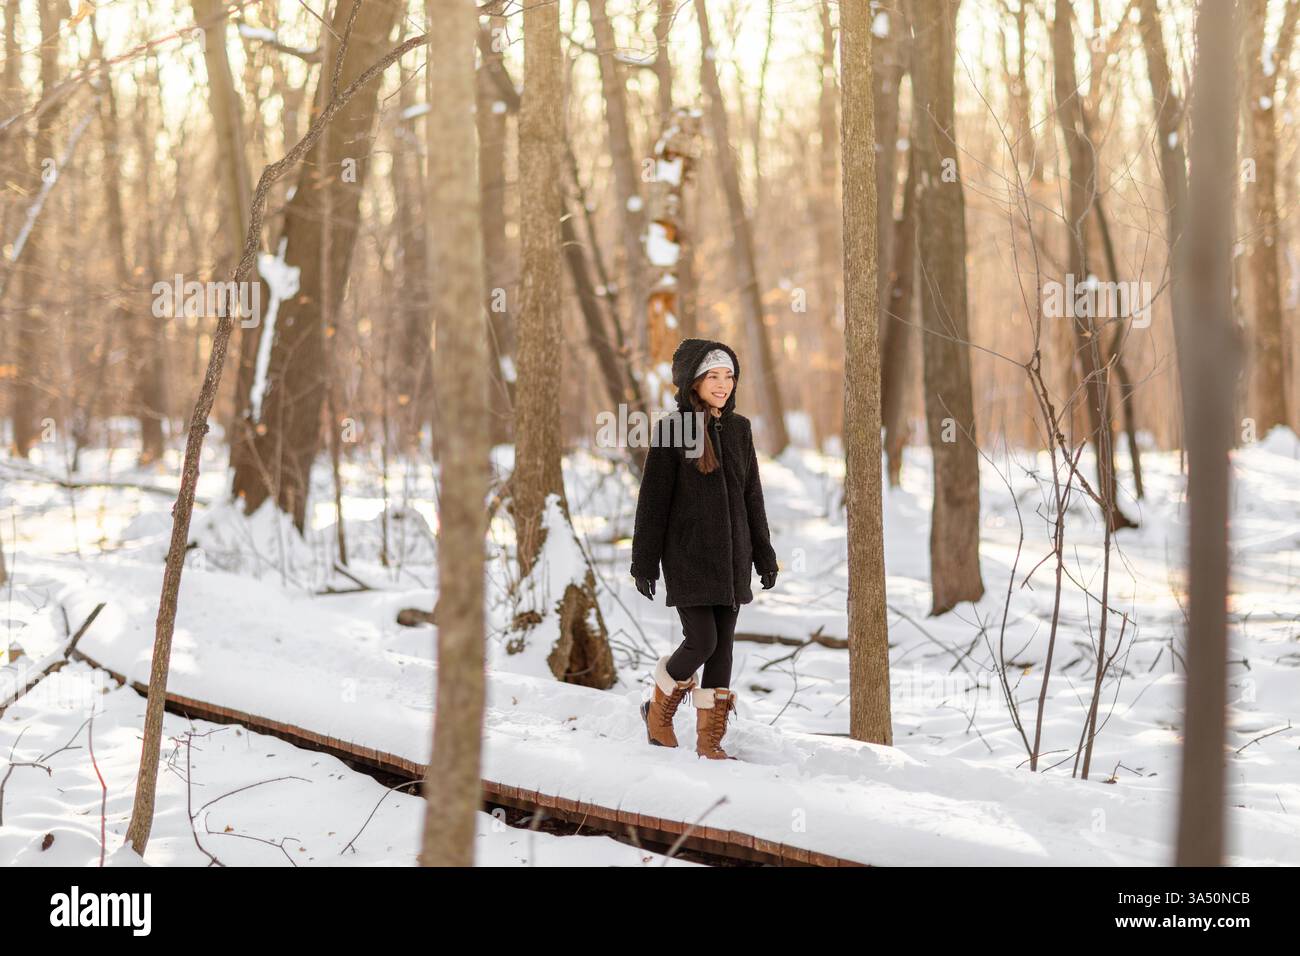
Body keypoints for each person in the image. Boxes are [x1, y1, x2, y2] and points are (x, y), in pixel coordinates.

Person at [629, 338, 779, 760]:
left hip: (733, 560)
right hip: (689, 558)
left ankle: (709, 742)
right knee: (702, 641)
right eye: (713, 375)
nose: (722, 384)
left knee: (723, 648)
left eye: (728, 375)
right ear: (692, 381)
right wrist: (644, 562)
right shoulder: (672, 430)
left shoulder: (739, 429)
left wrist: (764, 555)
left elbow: (753, 496)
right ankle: (656, 710)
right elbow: (653, 501)